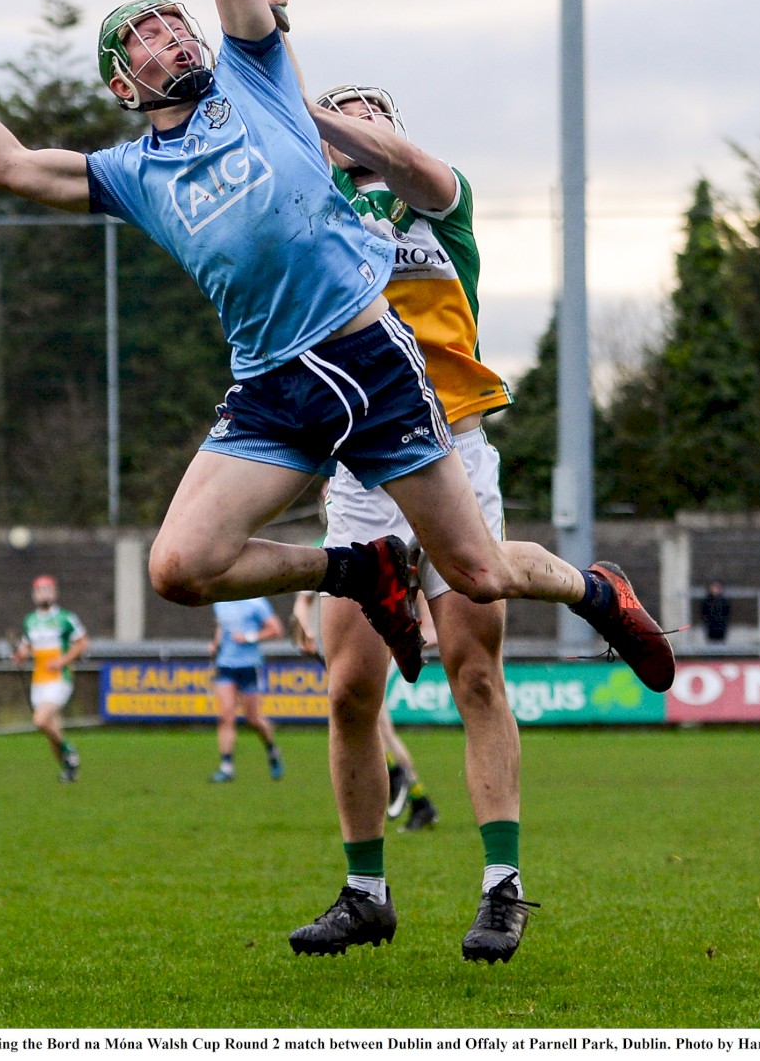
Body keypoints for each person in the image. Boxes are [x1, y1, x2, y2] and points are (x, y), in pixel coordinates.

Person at [0, 0, 670, 725]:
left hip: (367, 356)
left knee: (474, 569)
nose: (170, 36)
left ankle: (594, 592)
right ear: (124, 87)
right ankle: (357, 567)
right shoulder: (131, 174)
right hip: (272, 384)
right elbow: (4, 164)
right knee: (180, 565)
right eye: (144, 39)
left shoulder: (258, 80)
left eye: (174, 24)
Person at [284, 80, 534, 963]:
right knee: (349, 690)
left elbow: (399, 161)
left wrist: (294, 90)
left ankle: (501, 887)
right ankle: (365, 892)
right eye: (340, 109)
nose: (360, 120)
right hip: (362, 471)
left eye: (373, 109)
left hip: (454, 456)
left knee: (474, 674)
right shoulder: (311, 210)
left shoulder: (440, 199)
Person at [293, 589, 439, 829]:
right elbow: (302, 601)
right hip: (346, 649)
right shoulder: (322, 551)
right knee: (375, 727)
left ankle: (405, 785)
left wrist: (423, 628)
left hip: (374, 648)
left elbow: (417, 586)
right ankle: (417, 798)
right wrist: (305, 631)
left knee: (378, 727)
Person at [13, 575, 87, 782]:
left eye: (48, 589)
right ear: (34, 594)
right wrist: (20, 656)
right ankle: (69, 771)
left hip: (59, 679)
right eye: (40, 590)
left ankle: (69, 751)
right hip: (39, 681)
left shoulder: (65, 618)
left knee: (40, 720)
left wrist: (62, 661)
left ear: (55, 593)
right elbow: (26, 647)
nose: (44, 593)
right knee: (51, 730)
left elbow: (82, 643)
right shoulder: (30, 621)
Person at [208, 596, 286, 783]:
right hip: (225, 664)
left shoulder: (257, 603)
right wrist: (216, 644)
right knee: (226, 715)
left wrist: (250, 637)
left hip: (249, 666)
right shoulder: (219, 602)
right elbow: (222, 627)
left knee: (253, 719)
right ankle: (226, 767)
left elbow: (276, 630)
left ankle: (272, 750)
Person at [702, 579, 732, 644]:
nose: (715, 590)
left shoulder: (724, 601)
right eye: (713, 587)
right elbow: (703, 612)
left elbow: (727, 612)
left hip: (721, 627)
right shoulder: (707, 600)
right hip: (710, 627)